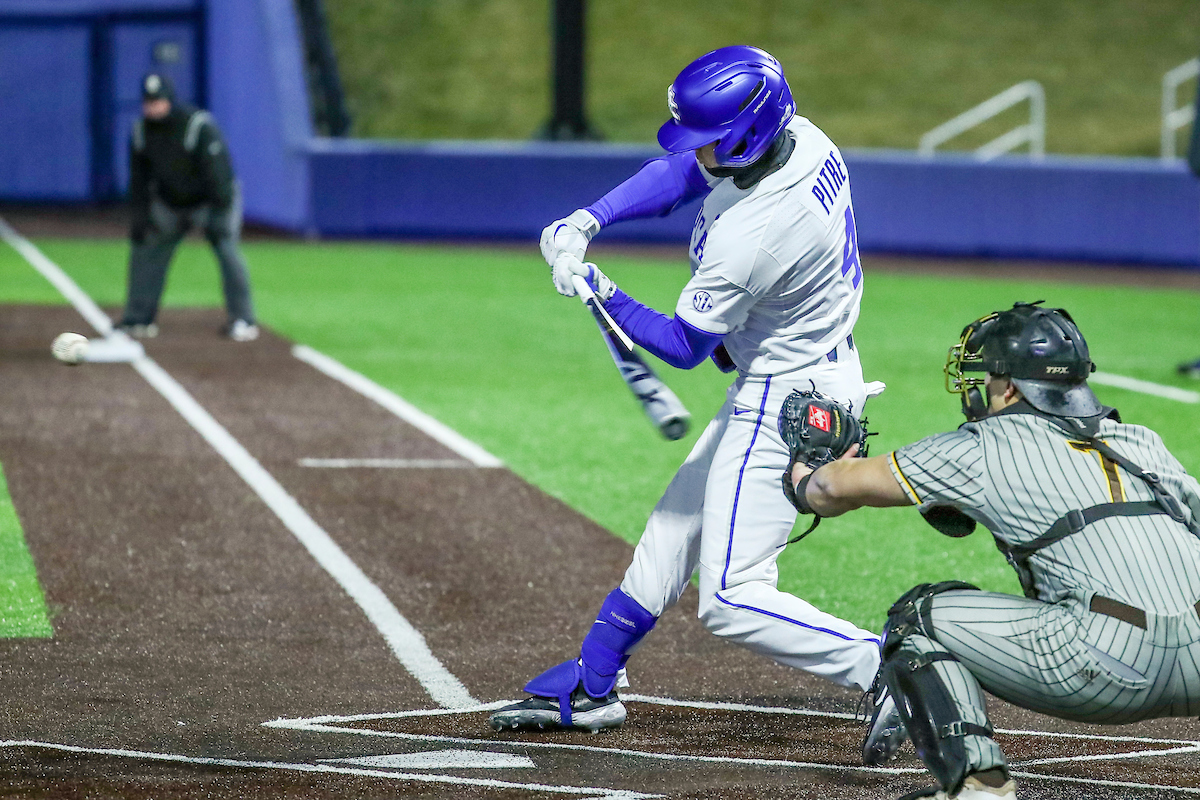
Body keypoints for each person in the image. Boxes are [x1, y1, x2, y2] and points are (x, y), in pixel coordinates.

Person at [489, 45, 888, 734]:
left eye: (710, 141)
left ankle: (899, 672)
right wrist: (591, 221)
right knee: (672, 532)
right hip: (793, 372)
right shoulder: (798, 137)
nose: (697, 153)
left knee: (733, 597)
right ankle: (593, 681)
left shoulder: (759, 233)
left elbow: (683, 346)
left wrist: (600, 288)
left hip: (788, 399)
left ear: (746, 134)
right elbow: (683, 172)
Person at [782, 301, 1200, 800]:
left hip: (1107, 666)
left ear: (1009, 386)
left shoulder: (983, 444)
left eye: (984, 379)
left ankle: (980, 784)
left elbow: (832, 492)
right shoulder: (1141, 440)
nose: (978, 391)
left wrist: (808, 469)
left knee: (918, 616)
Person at [116, 73, 258, 342]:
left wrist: (219, 217)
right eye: (148, 102)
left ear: (169, 100)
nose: (153, 107)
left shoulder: (196, 125)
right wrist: (139, 219)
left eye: (158, 101)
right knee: (146, 249)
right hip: (171, 202)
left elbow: (220, 175)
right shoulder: (141, 131)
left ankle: (243, 319)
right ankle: (138, 318)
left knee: (227, 249)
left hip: (211, 200)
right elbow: (139, 181)